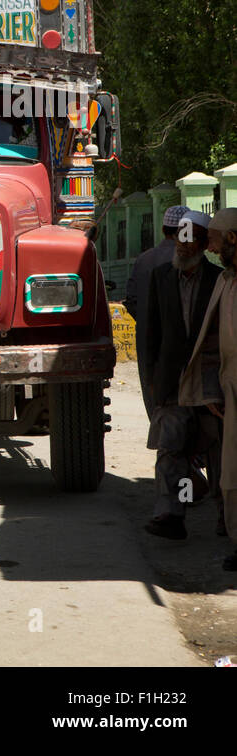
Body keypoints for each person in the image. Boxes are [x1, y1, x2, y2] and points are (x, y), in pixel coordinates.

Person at [142, 211, 222, 539]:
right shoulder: (161, 276)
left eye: (191, 240)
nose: (183, 246)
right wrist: (154, 383)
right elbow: (151, 336)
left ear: (204, 244)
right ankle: (174, 514)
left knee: (216, 448)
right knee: (175, 447)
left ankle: (224, 516)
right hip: (173, 381)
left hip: (209, 380)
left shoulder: (220, 279)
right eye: (180, 238)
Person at [179, 207, 237, 570]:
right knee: (230, 474)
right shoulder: (226, 281)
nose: (210, 248)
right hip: (230, 391)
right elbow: (213, 341)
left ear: (232, 238)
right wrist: (213, 389)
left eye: (214, 239)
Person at [127, 205, 188, 415]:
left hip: (147, 339)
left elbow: (132, 299)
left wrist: (146, 319)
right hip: (183, 338)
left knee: (152, 389)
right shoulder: (191, 261)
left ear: (163, 229)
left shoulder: (144, 259)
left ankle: (159, 432)